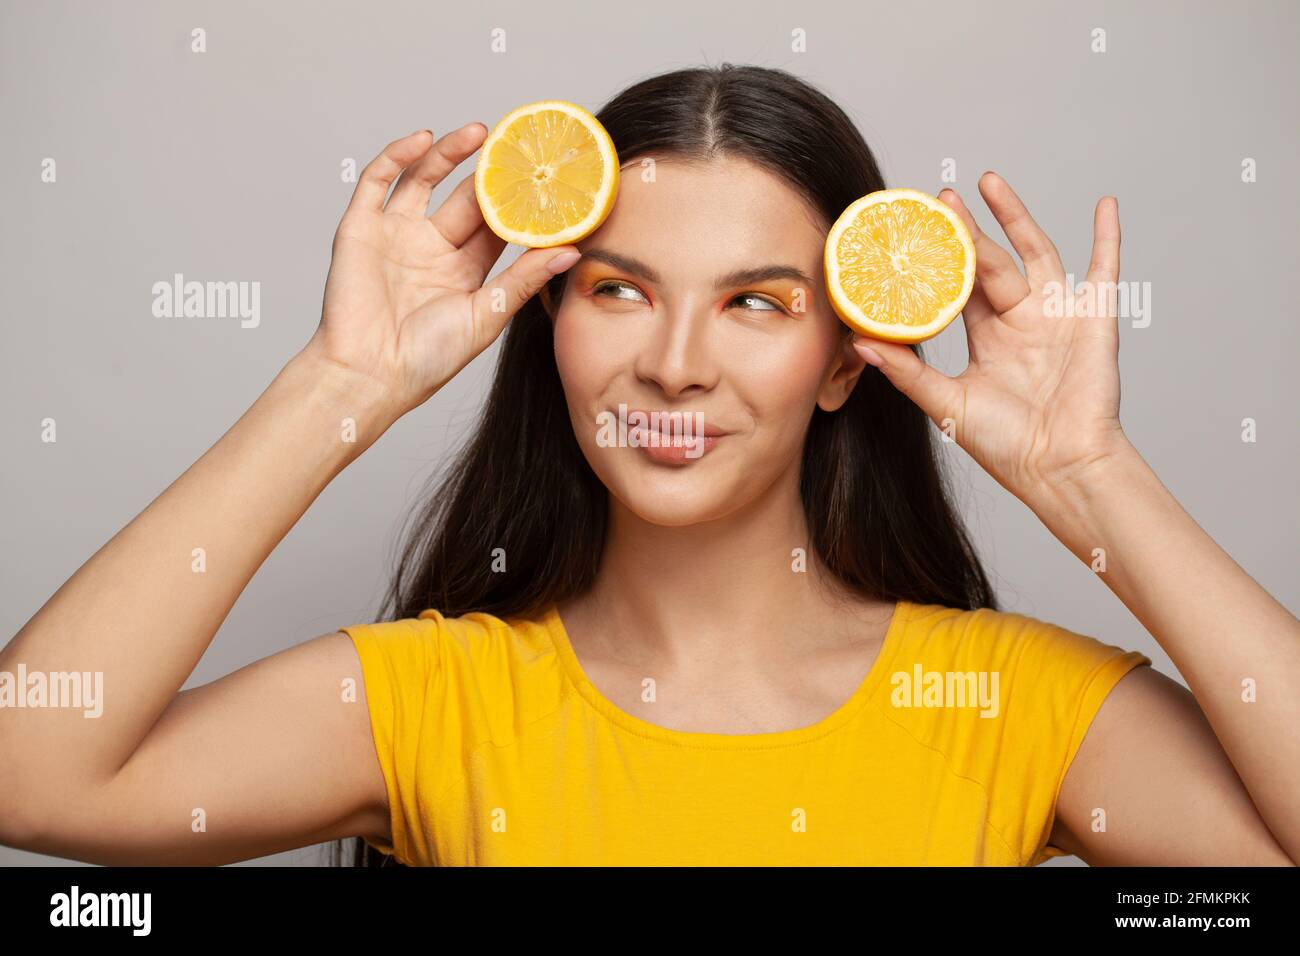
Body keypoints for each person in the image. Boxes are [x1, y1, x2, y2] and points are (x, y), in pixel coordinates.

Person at [1, 65, 1295, 867]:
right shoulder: (444, 703)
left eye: (756, 305)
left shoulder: (1002, 708)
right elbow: (32, 775)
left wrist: (1089, 478)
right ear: (549, 317)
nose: (674, 365)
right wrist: (335, 390)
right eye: (620, 289)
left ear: (848, 362)